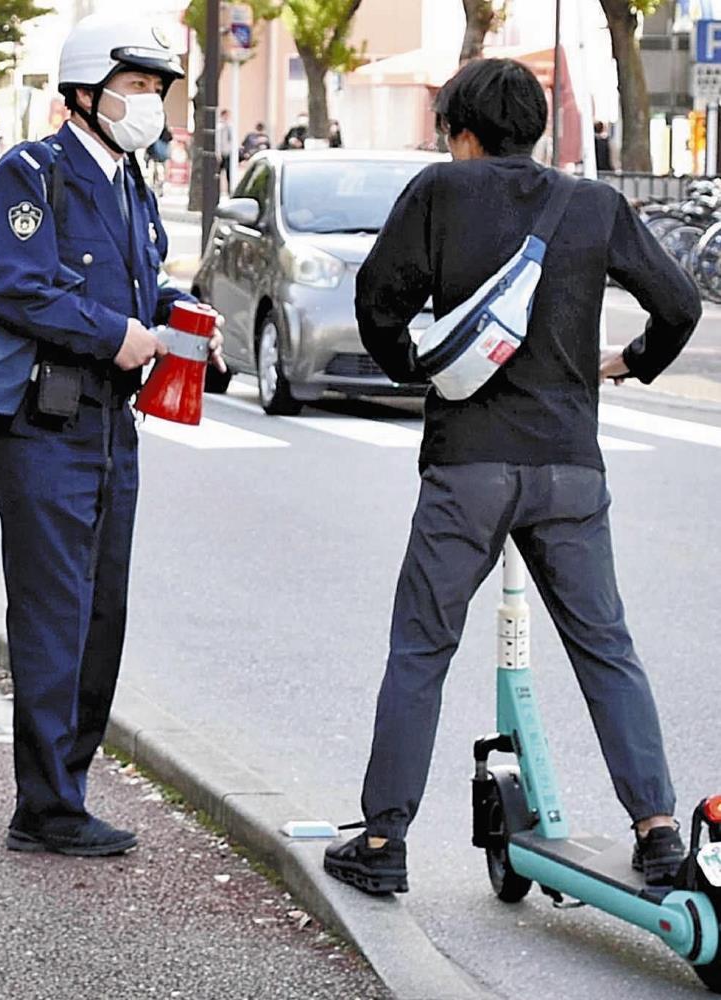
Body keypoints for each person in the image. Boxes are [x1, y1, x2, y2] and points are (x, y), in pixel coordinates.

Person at [324, 58, 701, 896]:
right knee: (605, 648)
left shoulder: (440, 192)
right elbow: (677, 305)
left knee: (421, 647)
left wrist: (421, 369)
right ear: (534, 127)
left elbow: (378, 301)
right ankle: (659, 832)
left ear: (461, 132)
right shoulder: (593, 205)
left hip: (468, 467)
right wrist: (631, 363)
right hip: (569, 466)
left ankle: (383, 844)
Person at [0, 15, 225, 857]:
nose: (150, 103)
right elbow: (9, 282)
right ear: (86, 89)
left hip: (112, 424)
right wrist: (112, 332)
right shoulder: (32, 173)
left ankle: (64, 786)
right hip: (44, 424)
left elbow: (140, 289)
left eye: (157, 89)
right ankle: (44, 804)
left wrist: (180, 326)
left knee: (99, 613)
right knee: (53, 614)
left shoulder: (130, 182)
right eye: (138, 86)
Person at [145, 123, 173, 196]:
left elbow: (148, 146)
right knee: (160, 172)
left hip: (154, 156)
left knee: (154, 172)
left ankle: (153, 187)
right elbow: (170, 139)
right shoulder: (165, 132)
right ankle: (159, 187)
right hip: (161, 157)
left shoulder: (153, 132)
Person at [218, 109, 233, 191]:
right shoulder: (220, 127)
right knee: (218, 173)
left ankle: (229, 190)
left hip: (228, 153)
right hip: (221, 152)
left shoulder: (230, 126)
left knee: (229, 174)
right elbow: (218, 141)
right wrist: (218, 152)